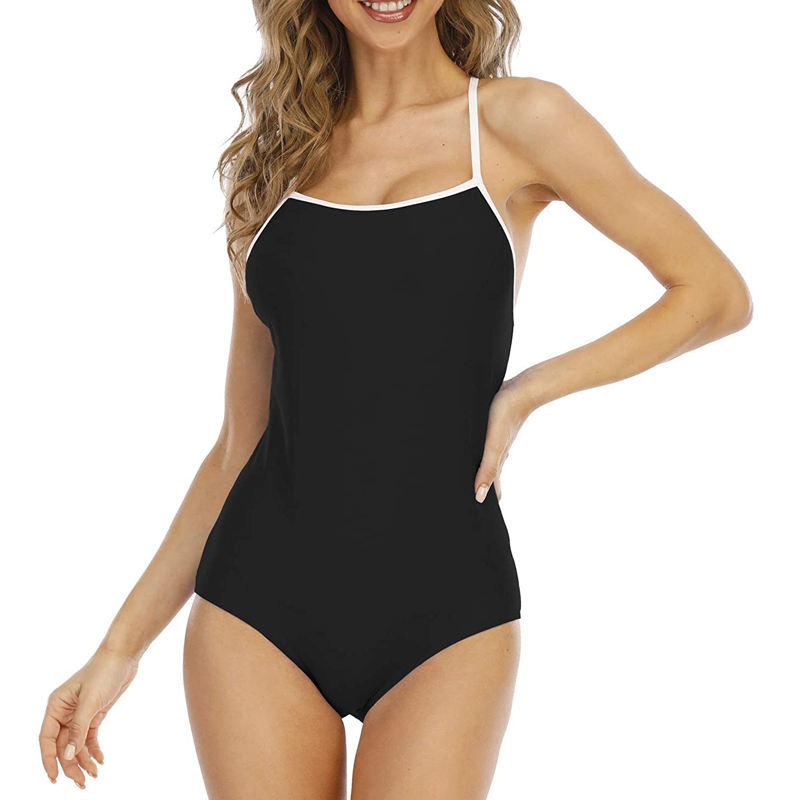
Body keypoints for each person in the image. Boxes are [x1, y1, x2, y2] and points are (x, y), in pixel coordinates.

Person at [38, 1, 752, 797]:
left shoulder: (518, 121)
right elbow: (241, 442)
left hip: (450, 611)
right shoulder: (276, 159)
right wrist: (118, 648)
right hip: (257, 606)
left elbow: (713, 294)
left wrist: (528, 391)